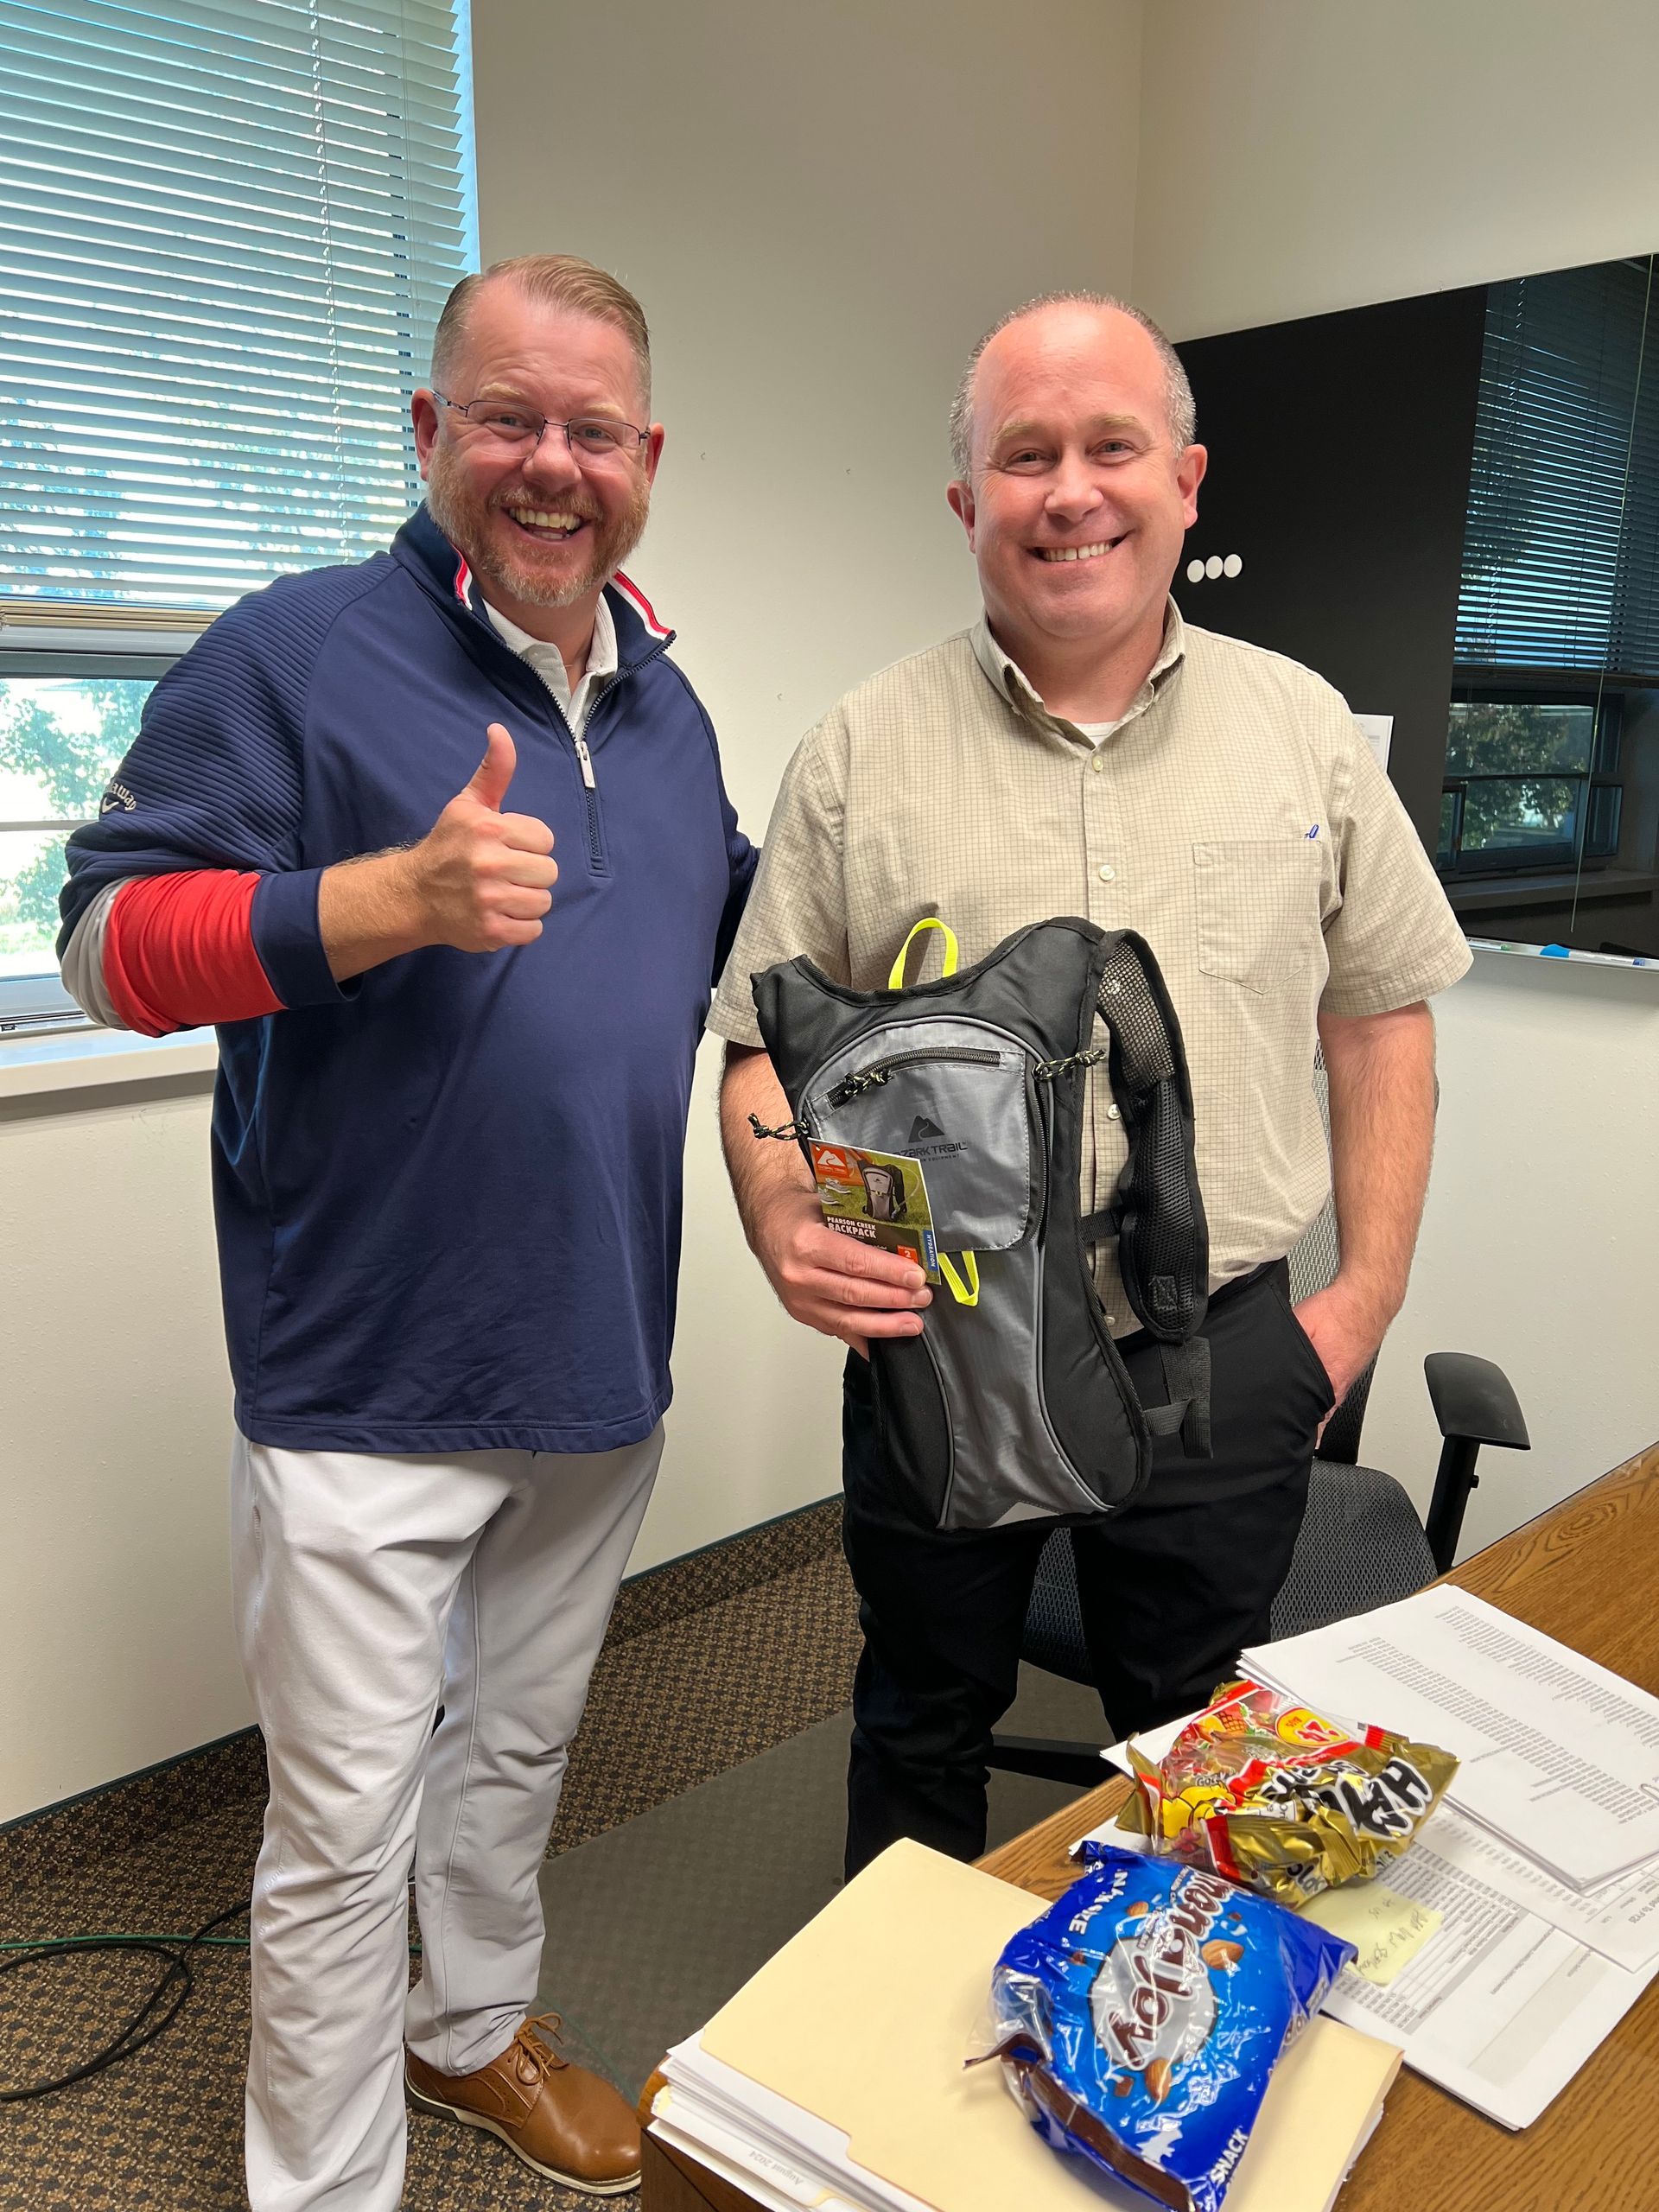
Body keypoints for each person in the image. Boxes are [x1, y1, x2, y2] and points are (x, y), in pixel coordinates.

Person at [59, 255, 753, 2211]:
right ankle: (323, 2183)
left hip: (598, 1354)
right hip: (363, 1378)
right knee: (343, 1830)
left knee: (516, 1758)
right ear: (429, 432)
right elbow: (106, 944)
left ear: (647, 458)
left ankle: (467, 2033)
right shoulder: (290, 654)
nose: (553, 464)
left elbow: (705, 958)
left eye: (593, 430)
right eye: (510, 420)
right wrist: (379, 898)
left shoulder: (676, 707)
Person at [710, 290, 1471, 1879]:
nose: (1071, 491)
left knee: (1193, 1734)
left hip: (1235, 1354)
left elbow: (1384, 1016)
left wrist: (1363, 1306)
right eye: (1026, 453)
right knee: (923, 1716)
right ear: (967, 501)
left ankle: (1157, 2061)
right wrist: (781, 1203)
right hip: (940, 1339)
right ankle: (890, 2088)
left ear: (1187, 479)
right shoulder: (857, 752)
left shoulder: (1306, 732)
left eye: (1111, 446)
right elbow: (762, 1047)